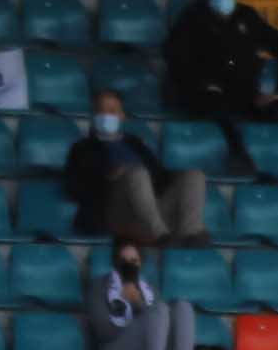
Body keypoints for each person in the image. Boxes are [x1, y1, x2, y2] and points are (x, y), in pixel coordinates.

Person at [164, 0, 278, 171]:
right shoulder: (193, 17)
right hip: (208, 92)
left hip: (245, 93)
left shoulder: (247, 17)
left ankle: (277, 166)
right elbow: (173, 54)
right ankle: (237, 153)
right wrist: (200, 82)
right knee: (213, 105)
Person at [62, 90, 205, 247]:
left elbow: (159, 175)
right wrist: (107, 176)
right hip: (114, 213)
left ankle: (190, 233)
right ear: (93, 115)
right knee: (137, 173)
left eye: (111, 111)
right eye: (101, 111)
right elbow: (73, 186)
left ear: (122, 115)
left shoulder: (135, 143)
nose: (106, 116)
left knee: (193, 175)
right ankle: (158, 234)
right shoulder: (82, 148)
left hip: (148, 208)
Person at [86, 242, 196, 350]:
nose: (129, 266)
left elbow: (158, 324)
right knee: (160, 309)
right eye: (123, 261)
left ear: (140, 263)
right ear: (115, 263)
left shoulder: (148, 288)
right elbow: (102, 332)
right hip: (118, 348)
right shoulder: (99, 286)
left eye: (134, 261)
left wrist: (138, 303)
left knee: (183, 306)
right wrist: (123, 305)